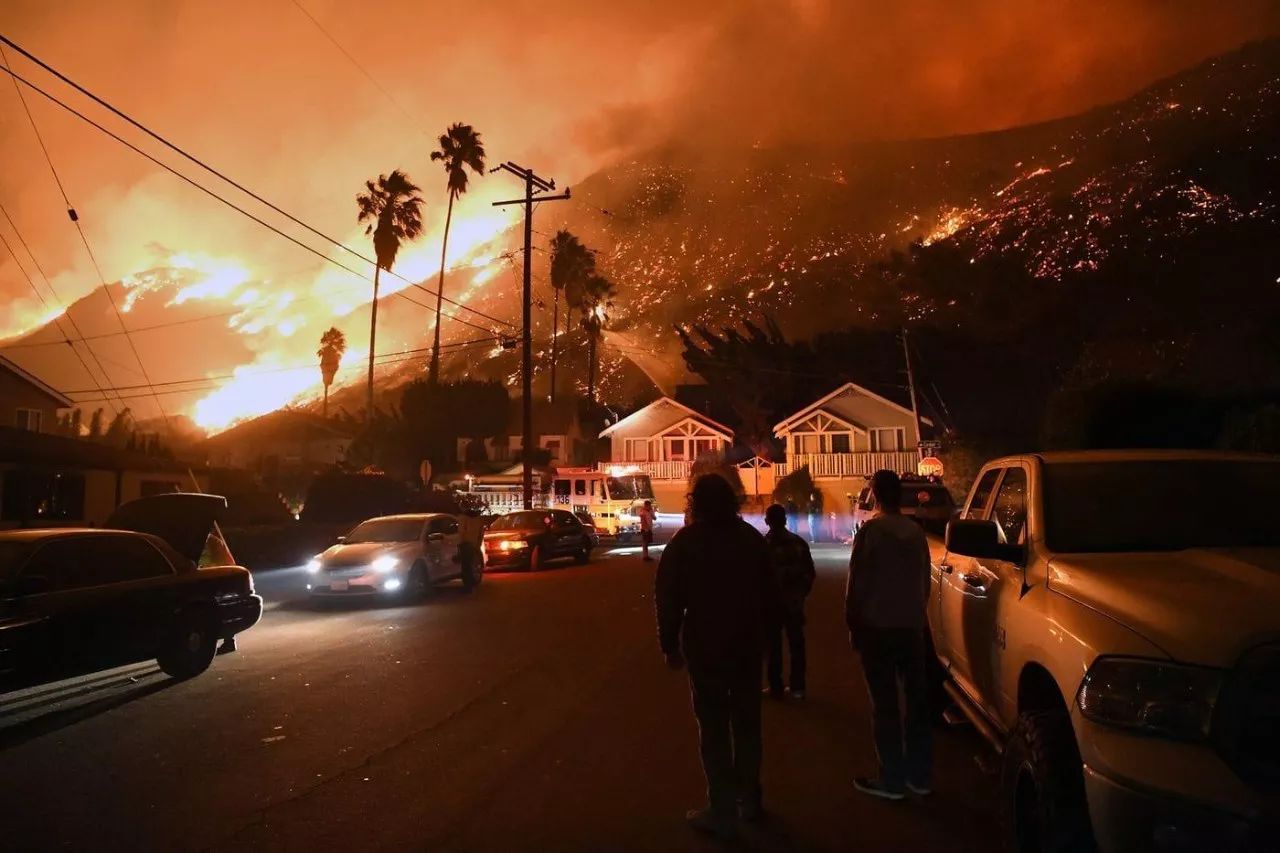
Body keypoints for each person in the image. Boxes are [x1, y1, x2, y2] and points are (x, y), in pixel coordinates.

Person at [656, 474, 778, 839]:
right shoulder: (751, 540)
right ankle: (750, 800)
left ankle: (721, 808)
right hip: (747, 645)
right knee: (747, 725)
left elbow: (668, 597)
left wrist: (669, 645)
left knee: (713, 728)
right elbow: (772, 594)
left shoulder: (686, 543)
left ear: (696, 504)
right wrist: (771, 642)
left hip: (705, 646)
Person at [845, 469, 933, 800]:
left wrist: (853, 622)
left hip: (877, 627)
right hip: (910, 627)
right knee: (916, 702)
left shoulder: (871, 532)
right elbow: (924, 582)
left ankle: (892, 778)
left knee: (885, 704)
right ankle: (920, 776)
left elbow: (858, 583)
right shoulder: (915, 533)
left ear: (876, 494)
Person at [763, 503, 816, 700]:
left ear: (767, 521)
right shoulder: (798, 543)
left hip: (771, 604)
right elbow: (809, 573)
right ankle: (798, 688)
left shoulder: (763, 545)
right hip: (793, 602)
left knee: (773, 646)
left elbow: (757, 576)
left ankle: (775, 686)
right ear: (785, 520)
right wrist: (800, 595)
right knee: (796, 645)